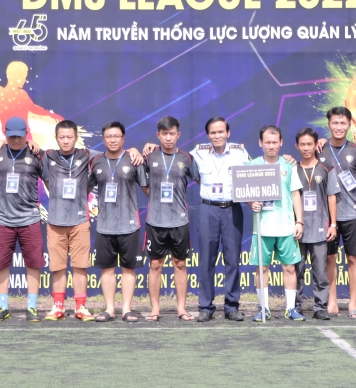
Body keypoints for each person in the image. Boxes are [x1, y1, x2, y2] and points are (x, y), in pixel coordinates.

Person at [40, 119, 143, 321]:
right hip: (55, 221)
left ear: (76, 138)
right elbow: (39, 170)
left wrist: (135, 150)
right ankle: (58, 306)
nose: (66, 140)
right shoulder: (48, 156)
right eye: (62, 137)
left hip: (80, 220)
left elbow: (115, 154)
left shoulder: (89, 156)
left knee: (80, 265)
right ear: (56, 138)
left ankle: (81, 307)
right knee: (58, 266)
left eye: (70, 137)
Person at [191, 117, 251, 322]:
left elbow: (255, 171)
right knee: (206, 260)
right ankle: (205, 307)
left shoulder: (240, 153)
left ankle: (231, 306)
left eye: (221, 132)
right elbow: (180, 162)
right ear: (208, 135)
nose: (217, 136)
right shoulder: (197, 153)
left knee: (232, 259)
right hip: (208, 209)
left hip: (232, 209)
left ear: (228, 133)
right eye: (213, 132)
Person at [89, 121, 148, 323]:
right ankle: (109, 309)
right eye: (109, 136)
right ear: (103, 139)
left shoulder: (134, 159)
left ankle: (127, 310)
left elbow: (147, 188)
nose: (113, 140)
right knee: (107, 269)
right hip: (104, 225)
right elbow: (86, 189)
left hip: (129, 224)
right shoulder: (96, 162)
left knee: (128, 268)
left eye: (116, 136)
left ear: (123, 139)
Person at [142, 116, 200, 322]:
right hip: (155, 221)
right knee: (155, 265)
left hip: (179, 221)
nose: (168, 138)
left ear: (178, 135)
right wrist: (154, 197)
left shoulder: (187, 159)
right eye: (164, 134)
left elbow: (203, 180)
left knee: (180, 264)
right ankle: (155, 309)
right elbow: (141, 180)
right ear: (158, 135)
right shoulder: (149, 156)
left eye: (172, 134)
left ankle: (182, 308)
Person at [0, 116, 44, 323]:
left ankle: (32, 307)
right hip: (3, 218)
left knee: (33, 263)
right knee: (1, 264)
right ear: (5, 134)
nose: (15, 140)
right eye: (11, 136)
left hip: (30, 218)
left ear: (26, 134)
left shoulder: (36, 153)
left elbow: (49, 180)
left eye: (19, 136)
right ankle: (3, 307)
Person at [249, 125, 305, 322]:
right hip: (262, 227)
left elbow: (295, 194)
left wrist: (299, 221)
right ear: (260, 143)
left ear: (281, 143)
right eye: (267, 142)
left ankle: (290, 309)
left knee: (289, 268)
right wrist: (251, 203)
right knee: (261, 269)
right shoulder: (252, 166)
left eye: (274, 142)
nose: (271, 146)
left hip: (286, 226)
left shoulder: (289, 165)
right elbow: (245, 194)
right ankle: (264, 309)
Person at [316, 106, 356, 318]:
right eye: (335, 123)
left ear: (349, 125)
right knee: (330, 259)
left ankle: (353, 303)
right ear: (329, 124)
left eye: (343, 123)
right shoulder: (319, 149)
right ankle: (333, 300)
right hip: (328, 217)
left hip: (353, 215)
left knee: (354, 259)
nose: (338, 127)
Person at [292, 128, 340, 320]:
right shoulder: (293, 169)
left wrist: (333, 224)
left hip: (320, 228)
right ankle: (295, 306)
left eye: (309, 144)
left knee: (320, 271)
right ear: (297, 146)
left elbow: (332, 196)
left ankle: (320, 306)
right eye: (302, 144)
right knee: (297, 270)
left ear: (315, 146)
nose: (306, 148)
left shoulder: (326, 168)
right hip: (298, 229)